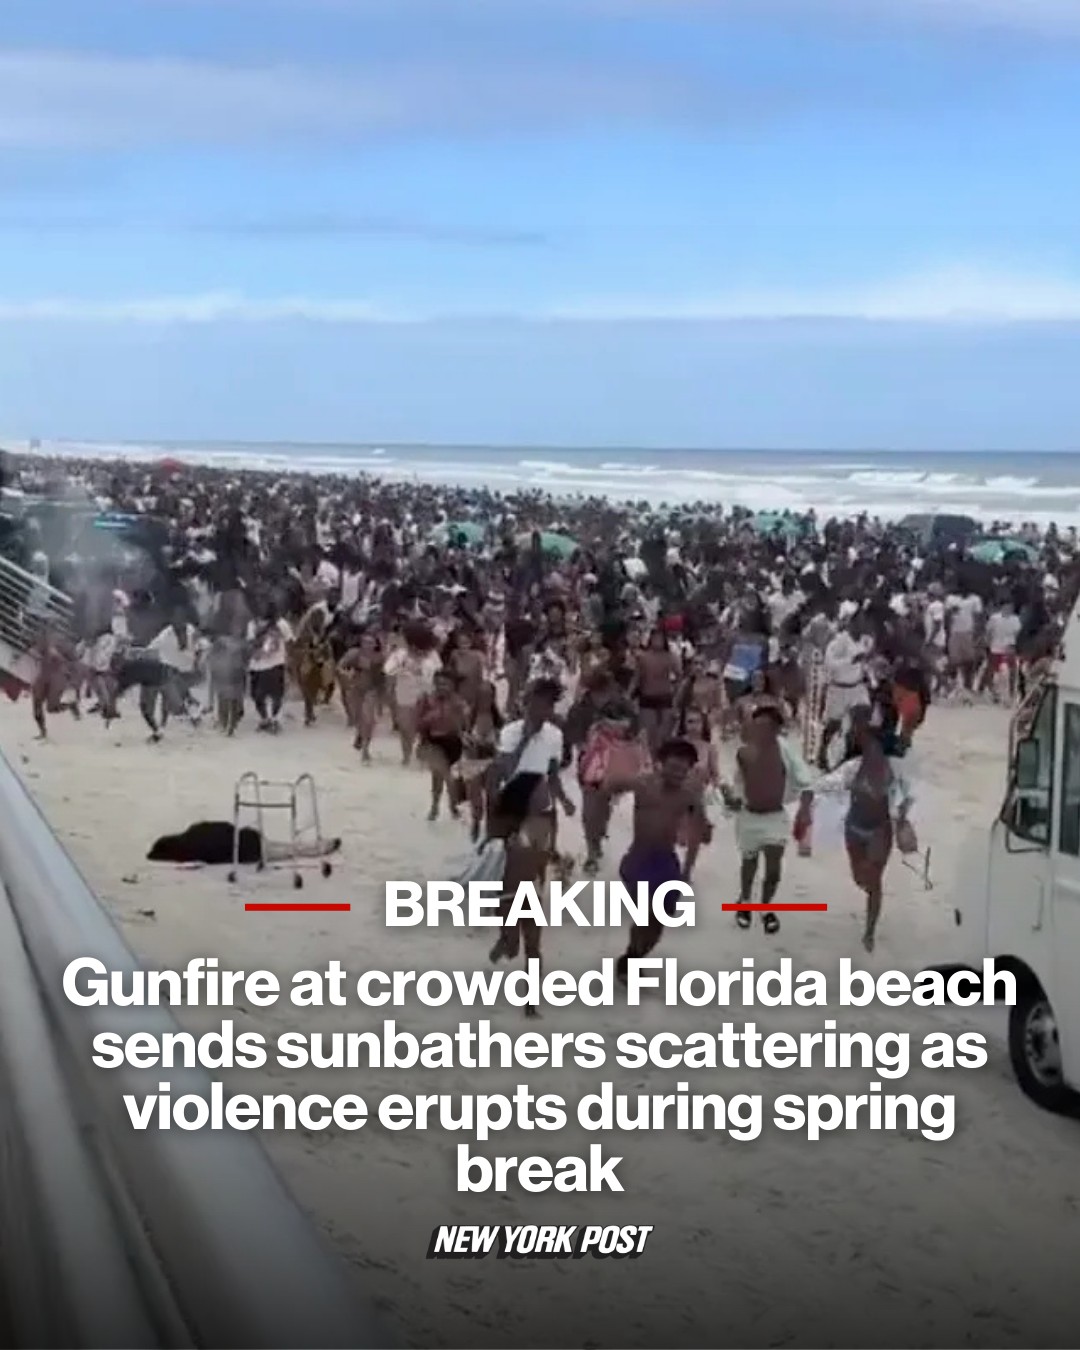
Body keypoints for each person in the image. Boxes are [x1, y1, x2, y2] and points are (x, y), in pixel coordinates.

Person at [487, 679, 576, 1014]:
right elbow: (504, 772)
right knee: (512, 890)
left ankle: (528, 987)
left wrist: (563, 800)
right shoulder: (511, 732)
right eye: (535, 703)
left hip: (540, 815)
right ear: (525, 703)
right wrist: (526, 737)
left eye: (546, 704)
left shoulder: (554, 735)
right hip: (512, 811)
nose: (540, 710)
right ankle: (509, 935)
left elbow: (551, 774)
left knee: (528, 896)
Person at [611, 738, 711, 985]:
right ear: (661, 764)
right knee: (645, 914)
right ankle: (630, 962)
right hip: (638, 859)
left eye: (683, 770)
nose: (677, 774)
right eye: (673, 767)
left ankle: (633, 956)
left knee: (659, 921)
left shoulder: (689, 795)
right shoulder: (643, 784)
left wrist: (687, 871)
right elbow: (610, 784)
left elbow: (698, 834)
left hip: (666, 861)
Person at [817, 704, 915, 953]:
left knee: (874, 880)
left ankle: (869, 931)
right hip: (854, 828)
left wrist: (902, 816)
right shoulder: (853, 766)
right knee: (861, 879)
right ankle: (871, 911)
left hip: (880, 829)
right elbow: (829, 783)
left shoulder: (894, 768)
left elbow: (907, 794)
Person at [721, 704, 814, 935]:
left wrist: (804, 812)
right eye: (756, 726)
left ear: (775, 729)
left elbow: (807, 782)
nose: (758, 731)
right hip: (749, 816)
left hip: (775, 817)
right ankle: (745, 902)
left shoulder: (786, 751)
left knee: (773, 870)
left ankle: (766, 906)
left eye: (764, 727)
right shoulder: (744, 752)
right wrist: (731, 800)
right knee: (749, 864)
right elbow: (737, 786)